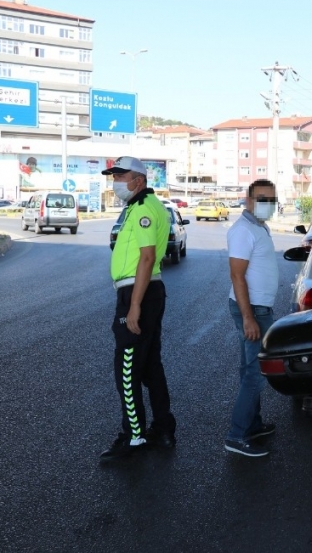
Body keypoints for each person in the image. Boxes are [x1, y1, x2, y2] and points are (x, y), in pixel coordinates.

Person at [101, 156, 176, 462]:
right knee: (150, 366)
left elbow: (146, 257)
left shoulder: (144, 208)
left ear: (139, 181)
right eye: (114, 176)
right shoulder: (141, 205)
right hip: (148, 292)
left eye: (121, 176)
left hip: (138, 293)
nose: (116, 181)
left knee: (128, 371)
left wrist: (134, 306)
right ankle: (163, 430)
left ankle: (134, 438)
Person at [225, 179, 280, 457]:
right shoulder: (243, 230)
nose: (266, 204)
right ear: (247, 199)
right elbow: (237, 275)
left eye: (271, 199)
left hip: (259, 308)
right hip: (253, 310)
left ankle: (253, 425)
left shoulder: (258, 226)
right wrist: (248, 317)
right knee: (256, 375)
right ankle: (237, 435)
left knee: (250, 369)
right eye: (261, 198)